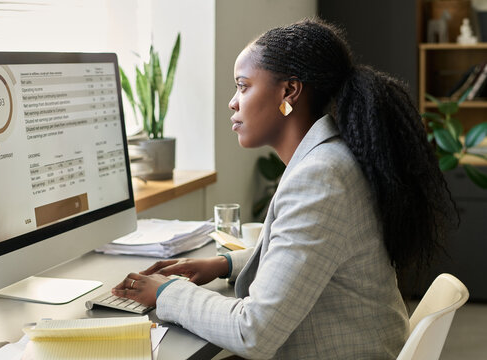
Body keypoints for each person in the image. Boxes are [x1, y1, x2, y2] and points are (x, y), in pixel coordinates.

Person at [112, 17, 456, 359]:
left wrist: (166, 293)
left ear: (289, 92)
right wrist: (223, 264)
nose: (233, 102)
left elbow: (253, 332)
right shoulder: (332, 157)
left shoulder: (321, 177)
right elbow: (314, 253)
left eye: (243, 86)